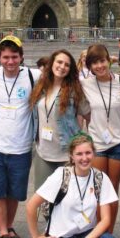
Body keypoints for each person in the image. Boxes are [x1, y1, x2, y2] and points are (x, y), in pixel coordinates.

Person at [0, 36, 41, 238]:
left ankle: (9, 225)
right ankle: (3, 231)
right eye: (6, 57)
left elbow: (61, 78)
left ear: (22, 57)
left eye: (14, 57)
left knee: (14, 192)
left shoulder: (34, 76)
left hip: (22, 146)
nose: (10, 62)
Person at [26, 132, 119, 238]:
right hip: (62, 235)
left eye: (88, 153)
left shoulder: (100, 177)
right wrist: (36, 236)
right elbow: (31, 206)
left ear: (94, 153)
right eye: (79, 154)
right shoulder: (61, 175)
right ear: (72, 156)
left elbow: (106, 219)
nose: (84, 158)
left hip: (86, 231)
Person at [81, 43, 120, 233]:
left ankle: (108, 234)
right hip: (98, 144)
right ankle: (97, 231)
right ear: (90, 66)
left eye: (101, 61)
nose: (99, 66)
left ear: (108, 60)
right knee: (98, 190)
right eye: (94, 63)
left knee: (113, 190)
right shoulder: (85, 84)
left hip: (119, 142)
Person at [29, 49, 90, 189]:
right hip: (43, 152)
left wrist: (86, 141)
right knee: (43, 198)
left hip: (67, 153)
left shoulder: (75, 89)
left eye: (67, 65)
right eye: (59, 62)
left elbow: (89, 115)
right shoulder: (40, 86)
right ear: (51, 63)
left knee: (68, 199)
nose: (62, 67)